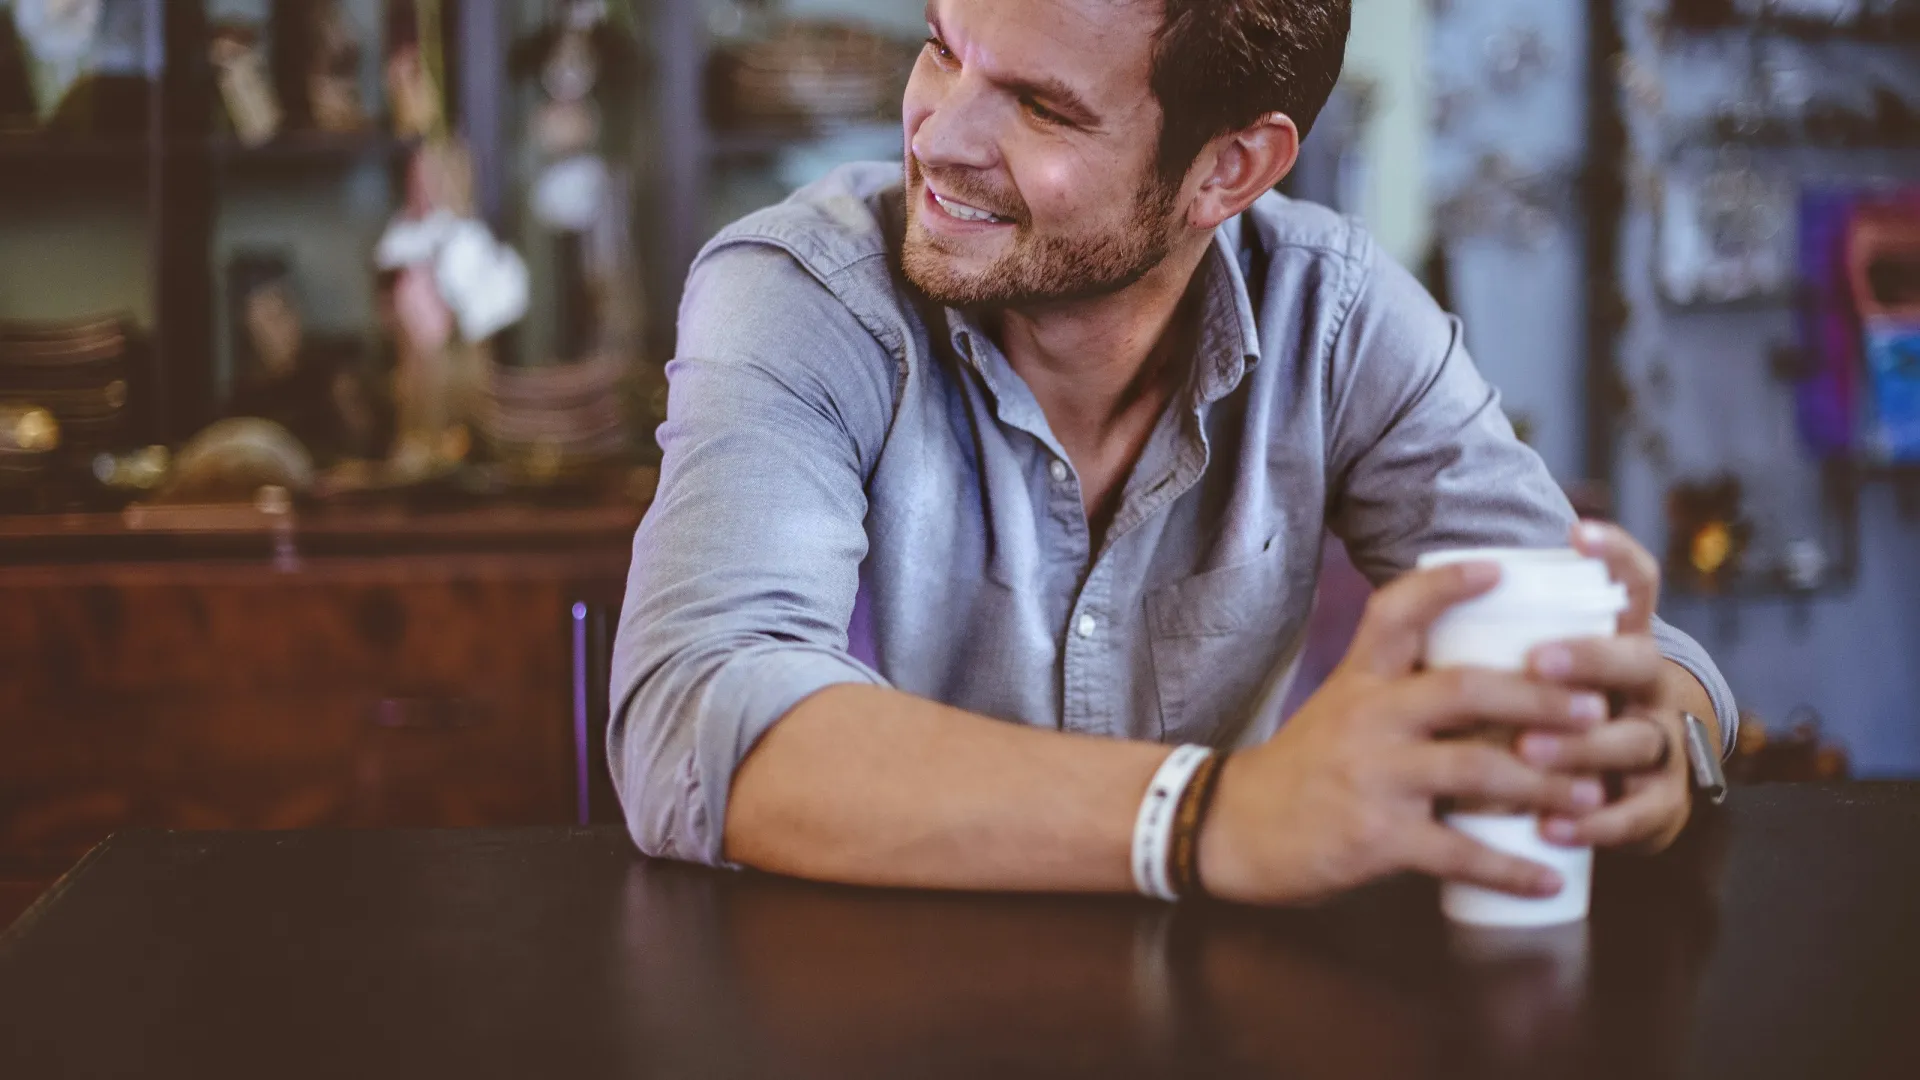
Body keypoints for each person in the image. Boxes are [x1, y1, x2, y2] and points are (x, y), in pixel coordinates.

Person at [609, 0, 1737, 906]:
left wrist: (1647, 734)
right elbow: (696, 721)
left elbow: (1643, 659)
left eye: (1042, 108)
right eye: (941, 49)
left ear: (1229, 171)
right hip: (860, 1007)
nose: (938, 137)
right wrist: (1215, 816)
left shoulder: (1336, 318)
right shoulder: (799, 291)